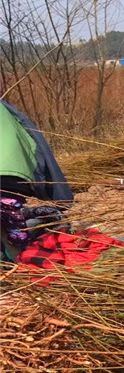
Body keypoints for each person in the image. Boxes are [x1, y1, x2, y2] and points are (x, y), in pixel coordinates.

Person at [1, 101, 73, 261]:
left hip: (8, 178)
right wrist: (60, 195)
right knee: (13, 239)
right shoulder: (8, 110)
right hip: (12, 178)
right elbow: (39, 146)